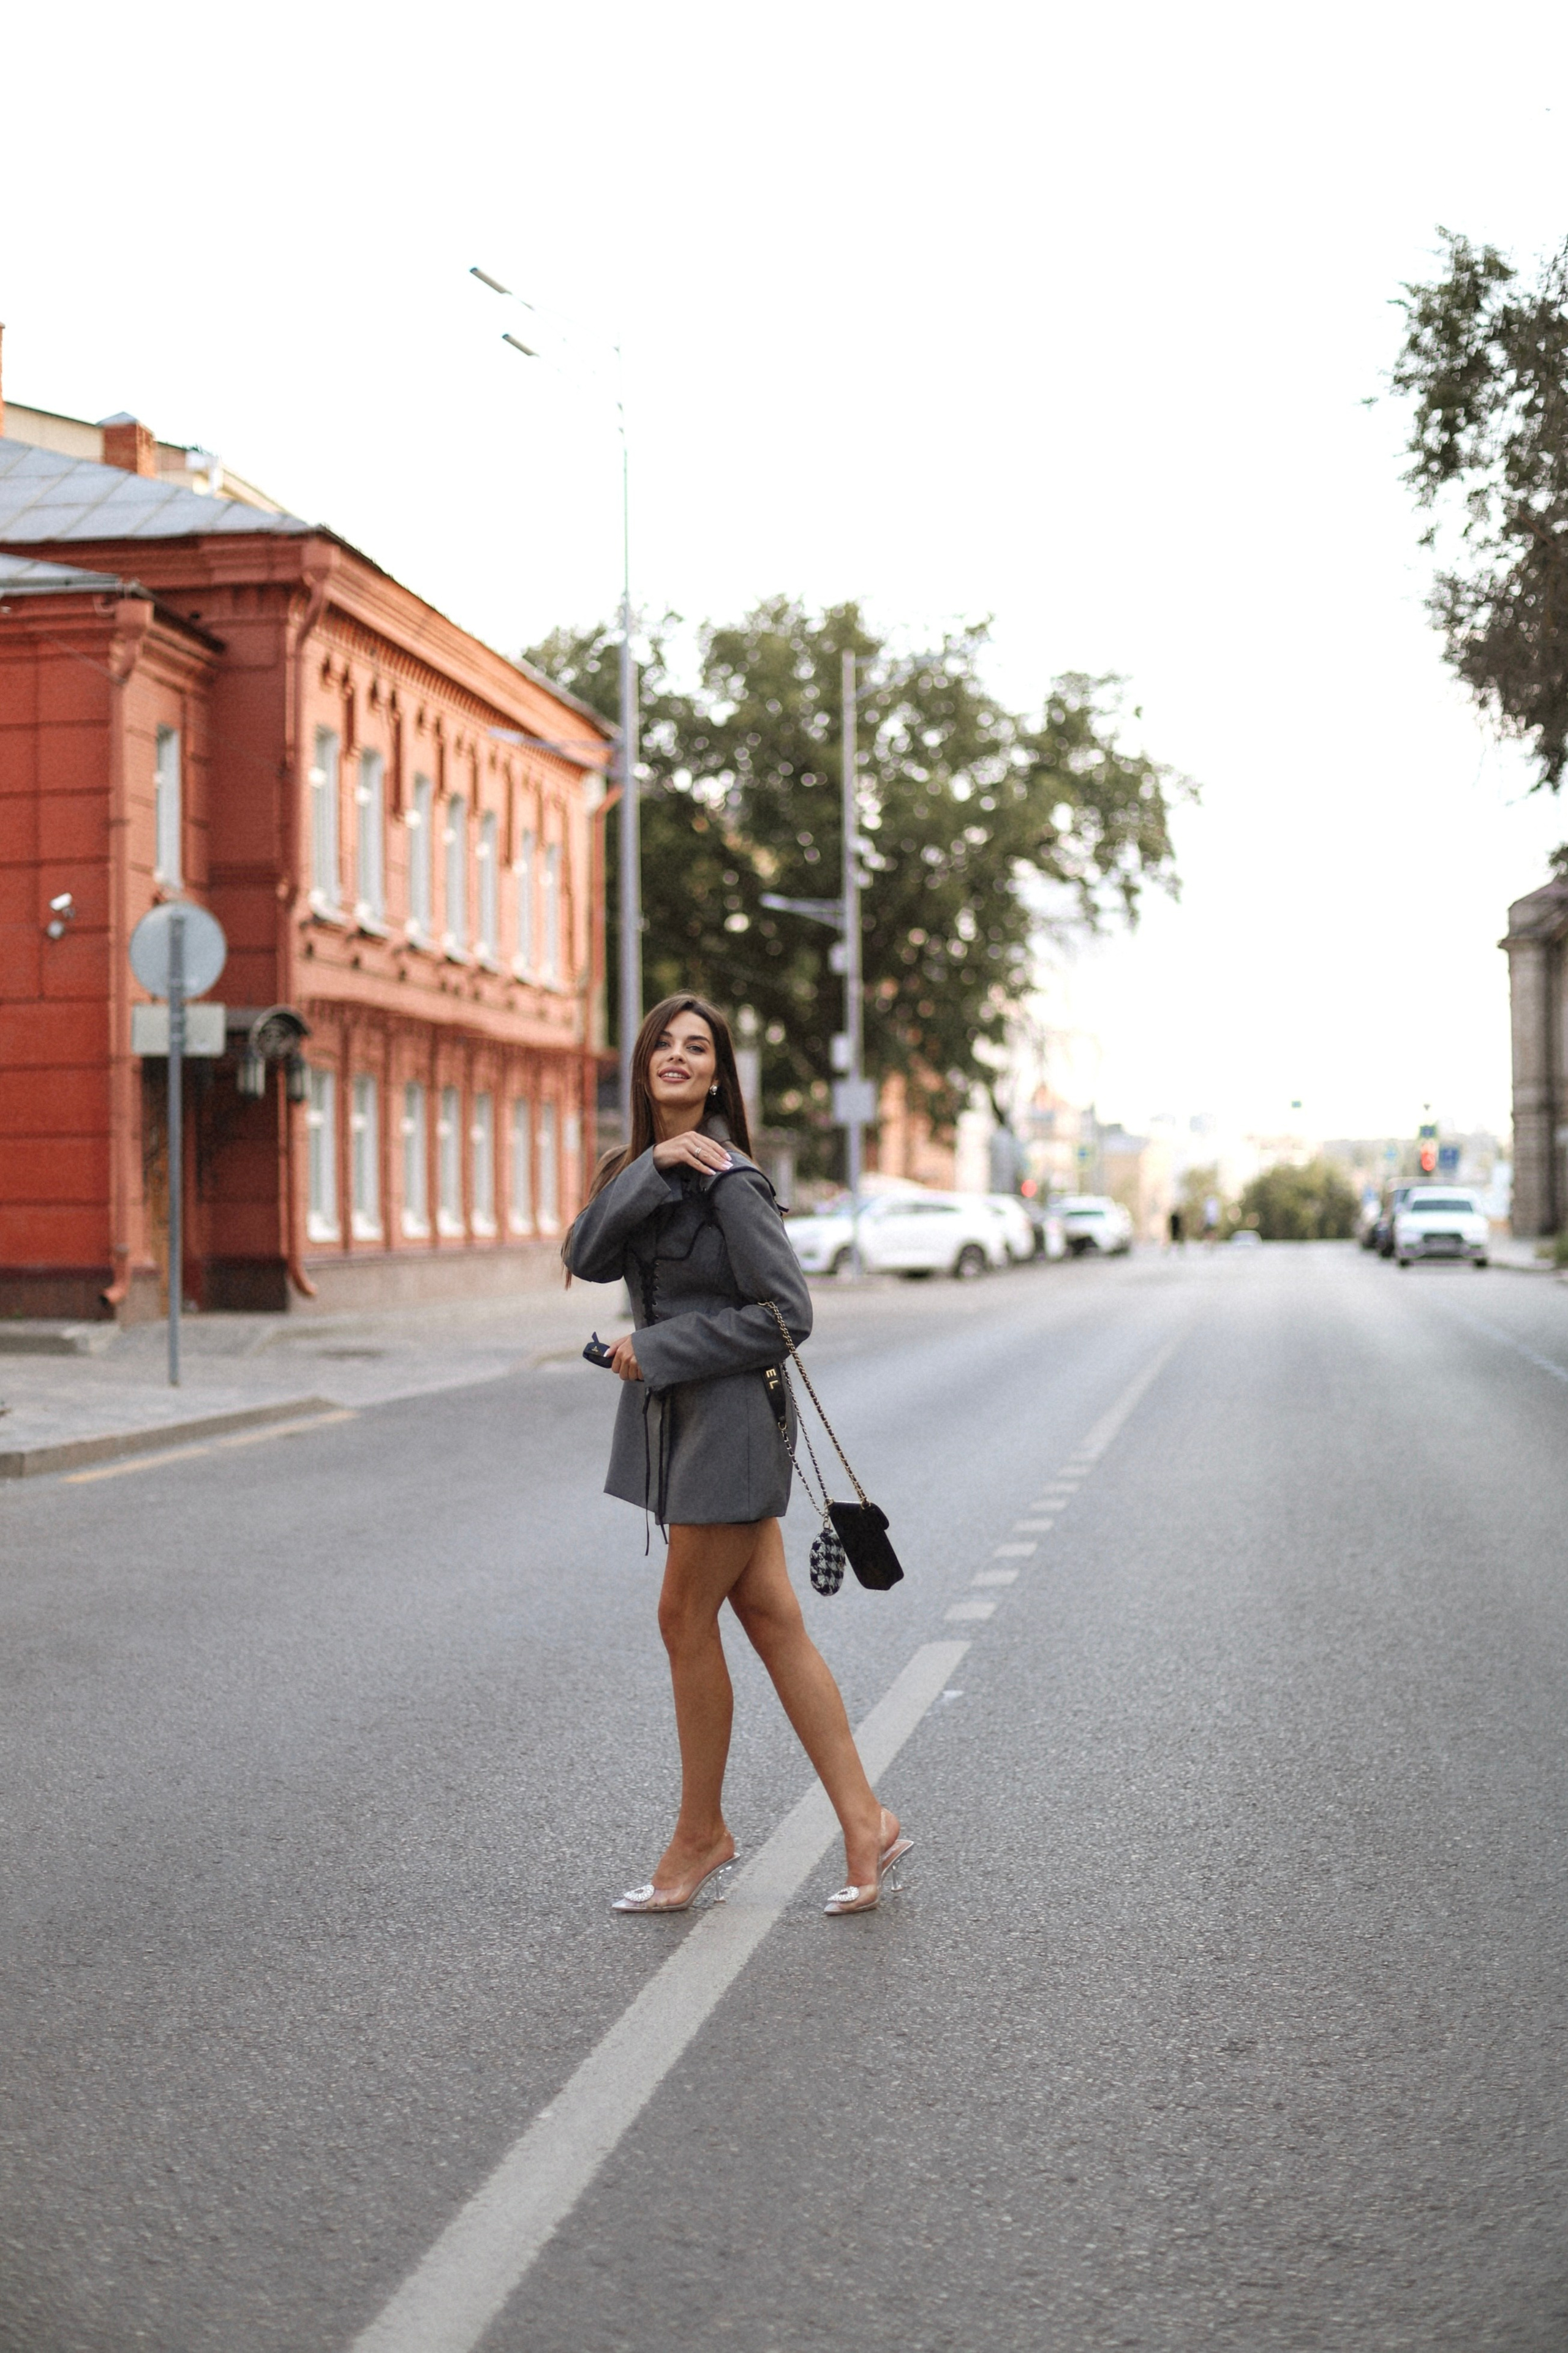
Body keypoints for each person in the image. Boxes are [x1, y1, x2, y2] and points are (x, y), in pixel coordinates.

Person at [564, 993, 910, 1917]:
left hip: (730, 1429)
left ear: (718, 1075)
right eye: (663, 1045)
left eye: (698, 1047)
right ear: (644, 1065)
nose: (678, 1057)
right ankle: (865, 1817)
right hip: (690, 1430)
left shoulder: (732, 1183)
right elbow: (585, 1252)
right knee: (771, 1620)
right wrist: (650, 1164)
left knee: (684, 1616)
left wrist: (662, 1348)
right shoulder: (649, 1173)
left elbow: (788, 1313)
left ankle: (701, 1835)